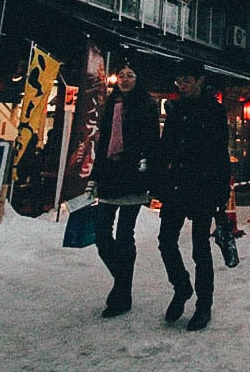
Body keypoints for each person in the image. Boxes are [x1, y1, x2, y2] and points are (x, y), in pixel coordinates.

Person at [155, 60, 230, 332]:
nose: (182, 85)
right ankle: (182, 287)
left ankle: (204, 306)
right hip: (176, 186)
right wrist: (159, 180)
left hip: (203, 187)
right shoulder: (175, 108)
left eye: (186, 80)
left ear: (199, 80)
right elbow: (166, 147)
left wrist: (221, 193)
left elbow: (221, 153)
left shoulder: (214, 110)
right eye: (179, 81)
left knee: (201, 248)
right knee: (166, 241)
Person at [90, 62, 160, 319]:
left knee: (124, 235)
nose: (125, 79)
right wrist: (95, 175)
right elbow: (104, 139)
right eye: (121, 75)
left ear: (137, 78)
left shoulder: (148, 104)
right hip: (109, 175)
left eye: (130, 75)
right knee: (101, 235)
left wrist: (151, 175)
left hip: (133, 175)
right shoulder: (110, 104)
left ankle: (121, 294)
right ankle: (123, 285)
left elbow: (153, 142)